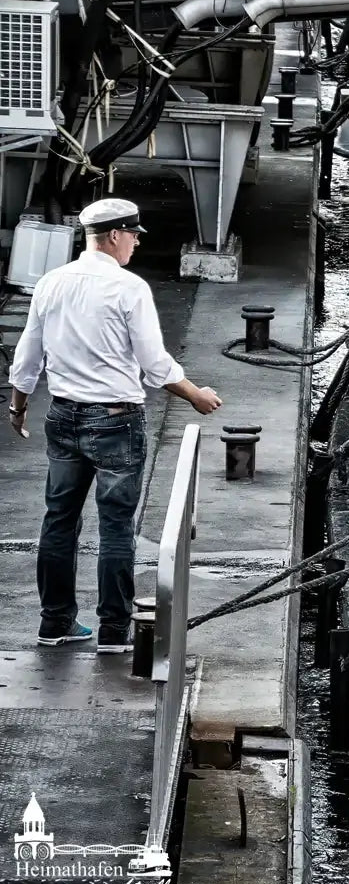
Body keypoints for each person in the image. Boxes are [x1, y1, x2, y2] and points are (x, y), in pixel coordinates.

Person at [7, 198, 223, 653]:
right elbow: (154, 364)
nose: (137, 242)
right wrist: (196, 394)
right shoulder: (129, 289)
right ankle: (112, 631)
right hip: (116, 423)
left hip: (62, 417)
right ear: (113, 237)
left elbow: (29, 353)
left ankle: (55, 622)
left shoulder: (51, 282)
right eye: (134, 235)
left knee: (59, 522)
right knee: (116, 528)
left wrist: (18, 405)